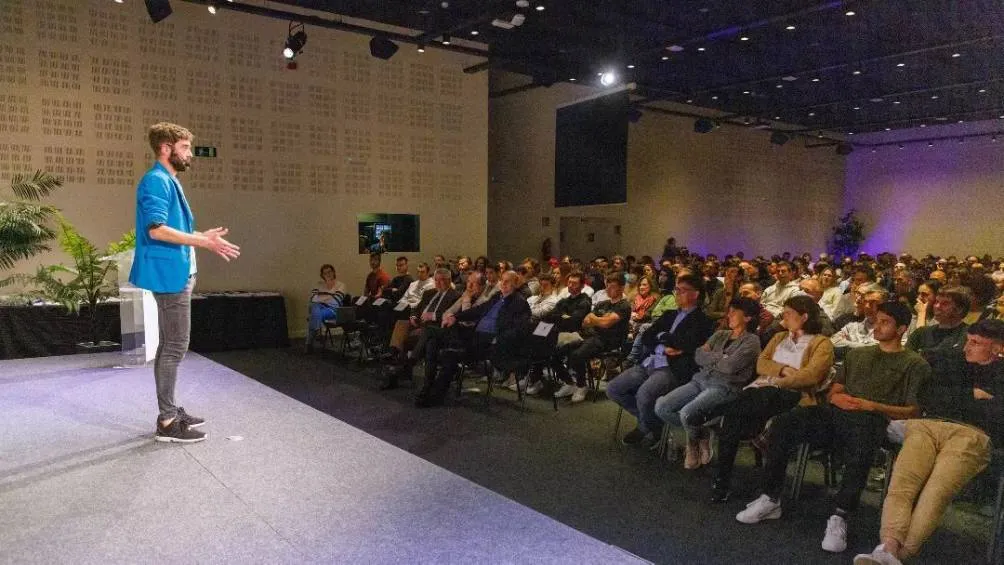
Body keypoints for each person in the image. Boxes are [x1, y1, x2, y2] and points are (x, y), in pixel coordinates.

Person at [736, 302, 930, 555]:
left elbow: (913, 411)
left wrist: (869, 405)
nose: (877, 326)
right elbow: (836, 388)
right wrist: (836, 397)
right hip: (836, 412)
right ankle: (771, 497)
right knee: (785, 422)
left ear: (902, 329)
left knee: (863, 439)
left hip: (873, 418)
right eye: (877, 320)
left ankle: (841, 514)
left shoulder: (914, 363)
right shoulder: (858, 354)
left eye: (885, 322)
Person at [853, 320, 1004, 565]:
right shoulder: (951, 362)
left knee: (936, 491)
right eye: (967, 340)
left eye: (976, 343)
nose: (967, 347)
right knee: (903, 484)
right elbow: (928, 398)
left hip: (972, 435)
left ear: (997, 349)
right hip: (927, 425)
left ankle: (895, 554)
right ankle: (890, 547)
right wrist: (973, 395)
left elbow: (997, 416)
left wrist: (954, 398)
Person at [130, 122, 240, 443]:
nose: (190, 154)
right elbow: (156, 229)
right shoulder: (156, 180)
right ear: (166, 148)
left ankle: (169, 410)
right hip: (169, 275)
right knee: (175, 346)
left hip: (176, 272)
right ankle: (166, 421)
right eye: (185, 148)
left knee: (170, 345)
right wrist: (203, 243)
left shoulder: (168, 180)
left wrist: (201, 237)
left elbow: (170, 229)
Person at [710, 295, 834, 503]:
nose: (783, 317)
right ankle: (722, 481)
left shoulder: (822, 344)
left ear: (804, 317)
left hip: (794, 396)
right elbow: (761, 364)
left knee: (749, 402)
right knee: (735, 418)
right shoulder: (779, 338)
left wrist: (778, 381)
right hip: (760, 394)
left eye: (788, 314)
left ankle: (718, 409)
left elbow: (811, 376)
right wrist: (783, 369)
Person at [653, 298, 761, 470]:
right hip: (701, 379)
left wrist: (712, 357)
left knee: (687, 414)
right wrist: (721, 357)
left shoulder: (752, 341)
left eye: (734, 312)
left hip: (725, 386)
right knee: (662, 407)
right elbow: (698, 356)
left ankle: (692, 444)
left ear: (747, 317)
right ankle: (702, 433)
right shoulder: (720, 334)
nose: (729, 314)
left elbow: (731, 366)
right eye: (729, 310)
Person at [307, 264, 347, 350]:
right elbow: (312, 298)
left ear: (333, 272)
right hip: (319, 307)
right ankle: (317, 331)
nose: (328, 274)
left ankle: (309, 343)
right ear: (322, 275)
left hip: (333, 310)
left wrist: (320, 298)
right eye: (325, 273)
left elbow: (336, 301)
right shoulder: (319, 285)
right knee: (314, 306)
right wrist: (328, 297)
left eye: (329, 272)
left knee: (314, 315)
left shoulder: (340, 285)